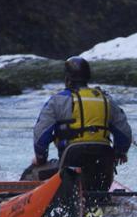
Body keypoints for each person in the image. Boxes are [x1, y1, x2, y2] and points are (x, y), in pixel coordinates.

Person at [24, 57, 131, 193]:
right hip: (103, 166)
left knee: (30, 173)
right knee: (98, 175)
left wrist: (40, 158)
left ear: (67, 78)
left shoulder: (57, 101)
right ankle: (101, 202)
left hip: (70, 166)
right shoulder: (106, 100)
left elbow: (41, 134)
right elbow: (125, 133)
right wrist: (120, 152)